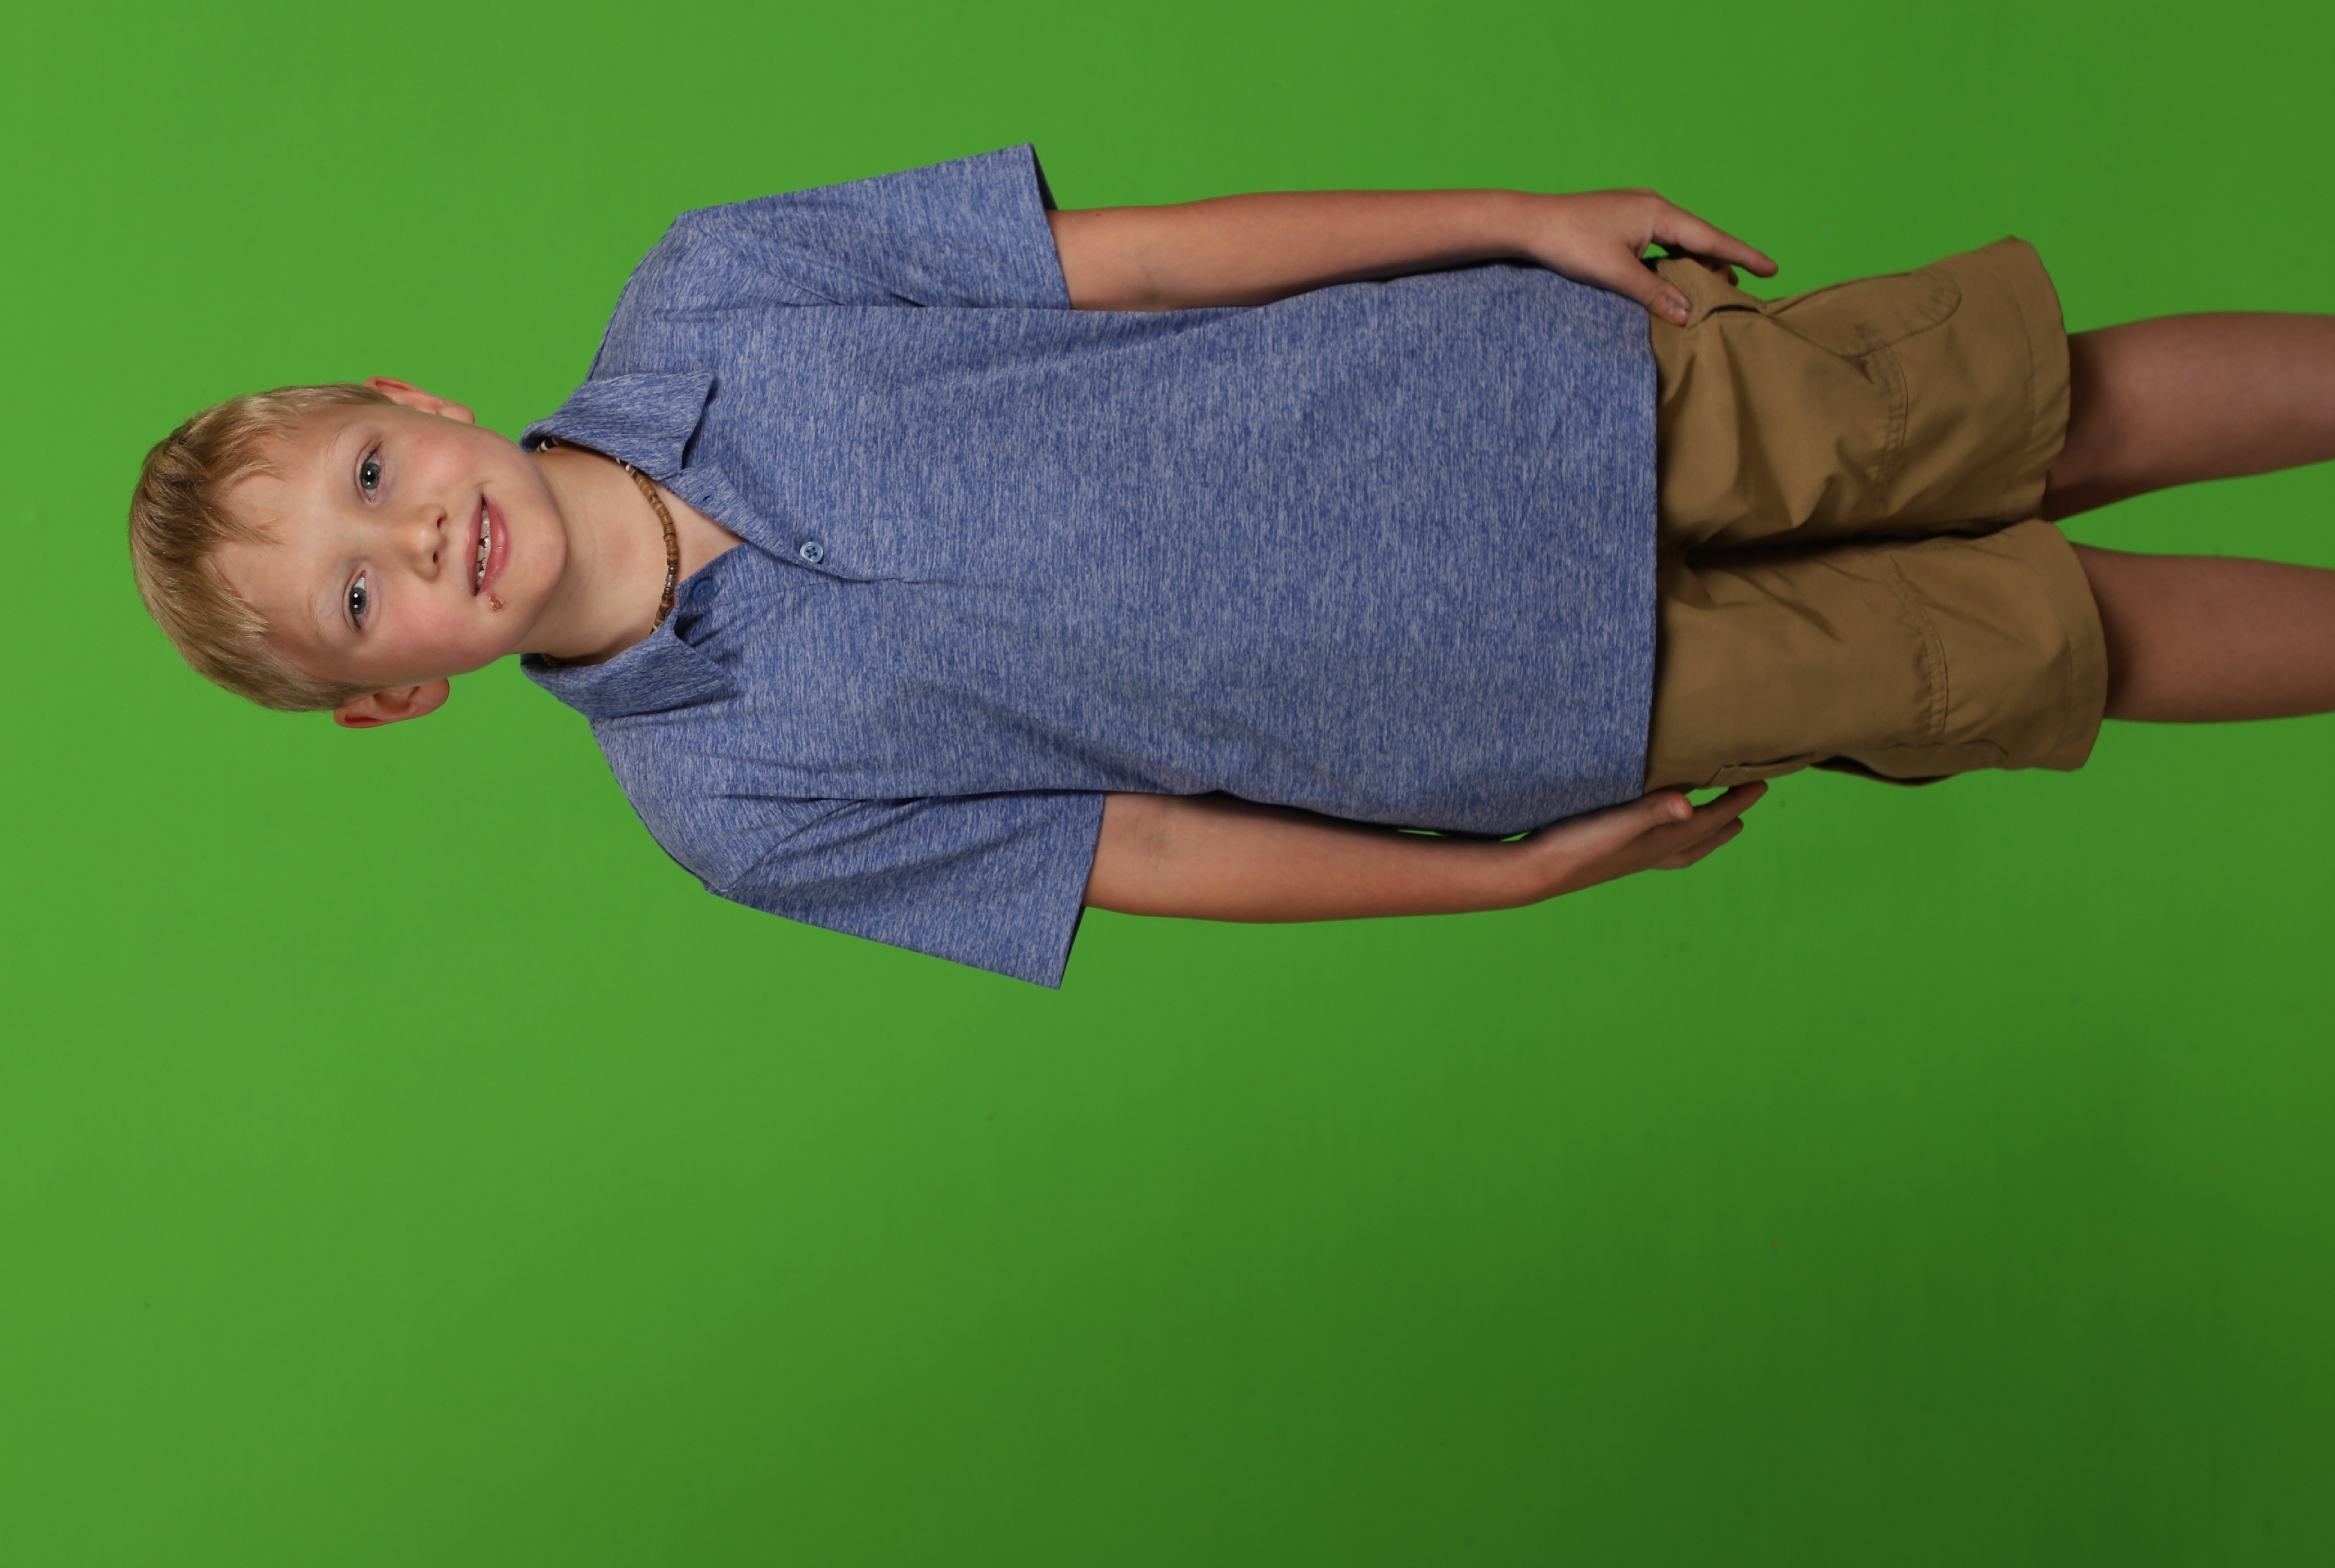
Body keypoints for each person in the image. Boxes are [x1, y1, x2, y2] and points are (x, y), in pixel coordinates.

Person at [128, 147, 2335, 986]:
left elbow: (1145, 262)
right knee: (2049, 644)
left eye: (370, 472)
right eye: (360, 596)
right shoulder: (728, 808)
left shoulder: (718, 285)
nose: (413, 533)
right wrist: (1490, 886)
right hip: (1526, 710)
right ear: (392, 694)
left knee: (2041, 405)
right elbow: (1145, 853)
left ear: (409, 396)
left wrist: (1505, 216)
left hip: (1523, 397)